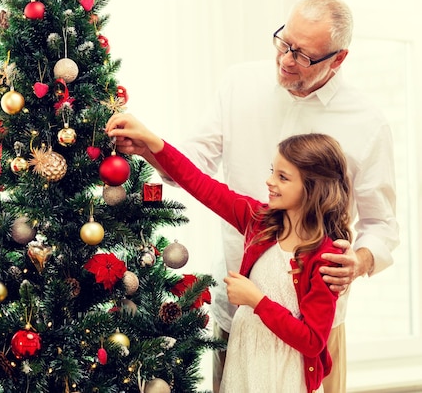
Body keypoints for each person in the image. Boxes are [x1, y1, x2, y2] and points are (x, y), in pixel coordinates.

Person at [113, 0, 399, 393]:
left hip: (307, 342)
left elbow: (382, 225)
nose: (286, 59)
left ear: (338, 59)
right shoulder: (239, 89)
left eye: (303, 55)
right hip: (240, 322)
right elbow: (199, 177)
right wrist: (151, 144)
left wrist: (361, 260)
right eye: (284, 42)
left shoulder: (367, 124)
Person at [107, 114, 351, 392]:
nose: (270, 181)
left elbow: (312, 341)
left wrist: (257, 301)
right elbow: (200, 184)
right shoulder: (259, 221)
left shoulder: (327, 258)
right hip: (245, 358)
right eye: (273, 171)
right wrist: (153, 142)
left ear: (314, 189)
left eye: (283, 177)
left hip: (284, 374)